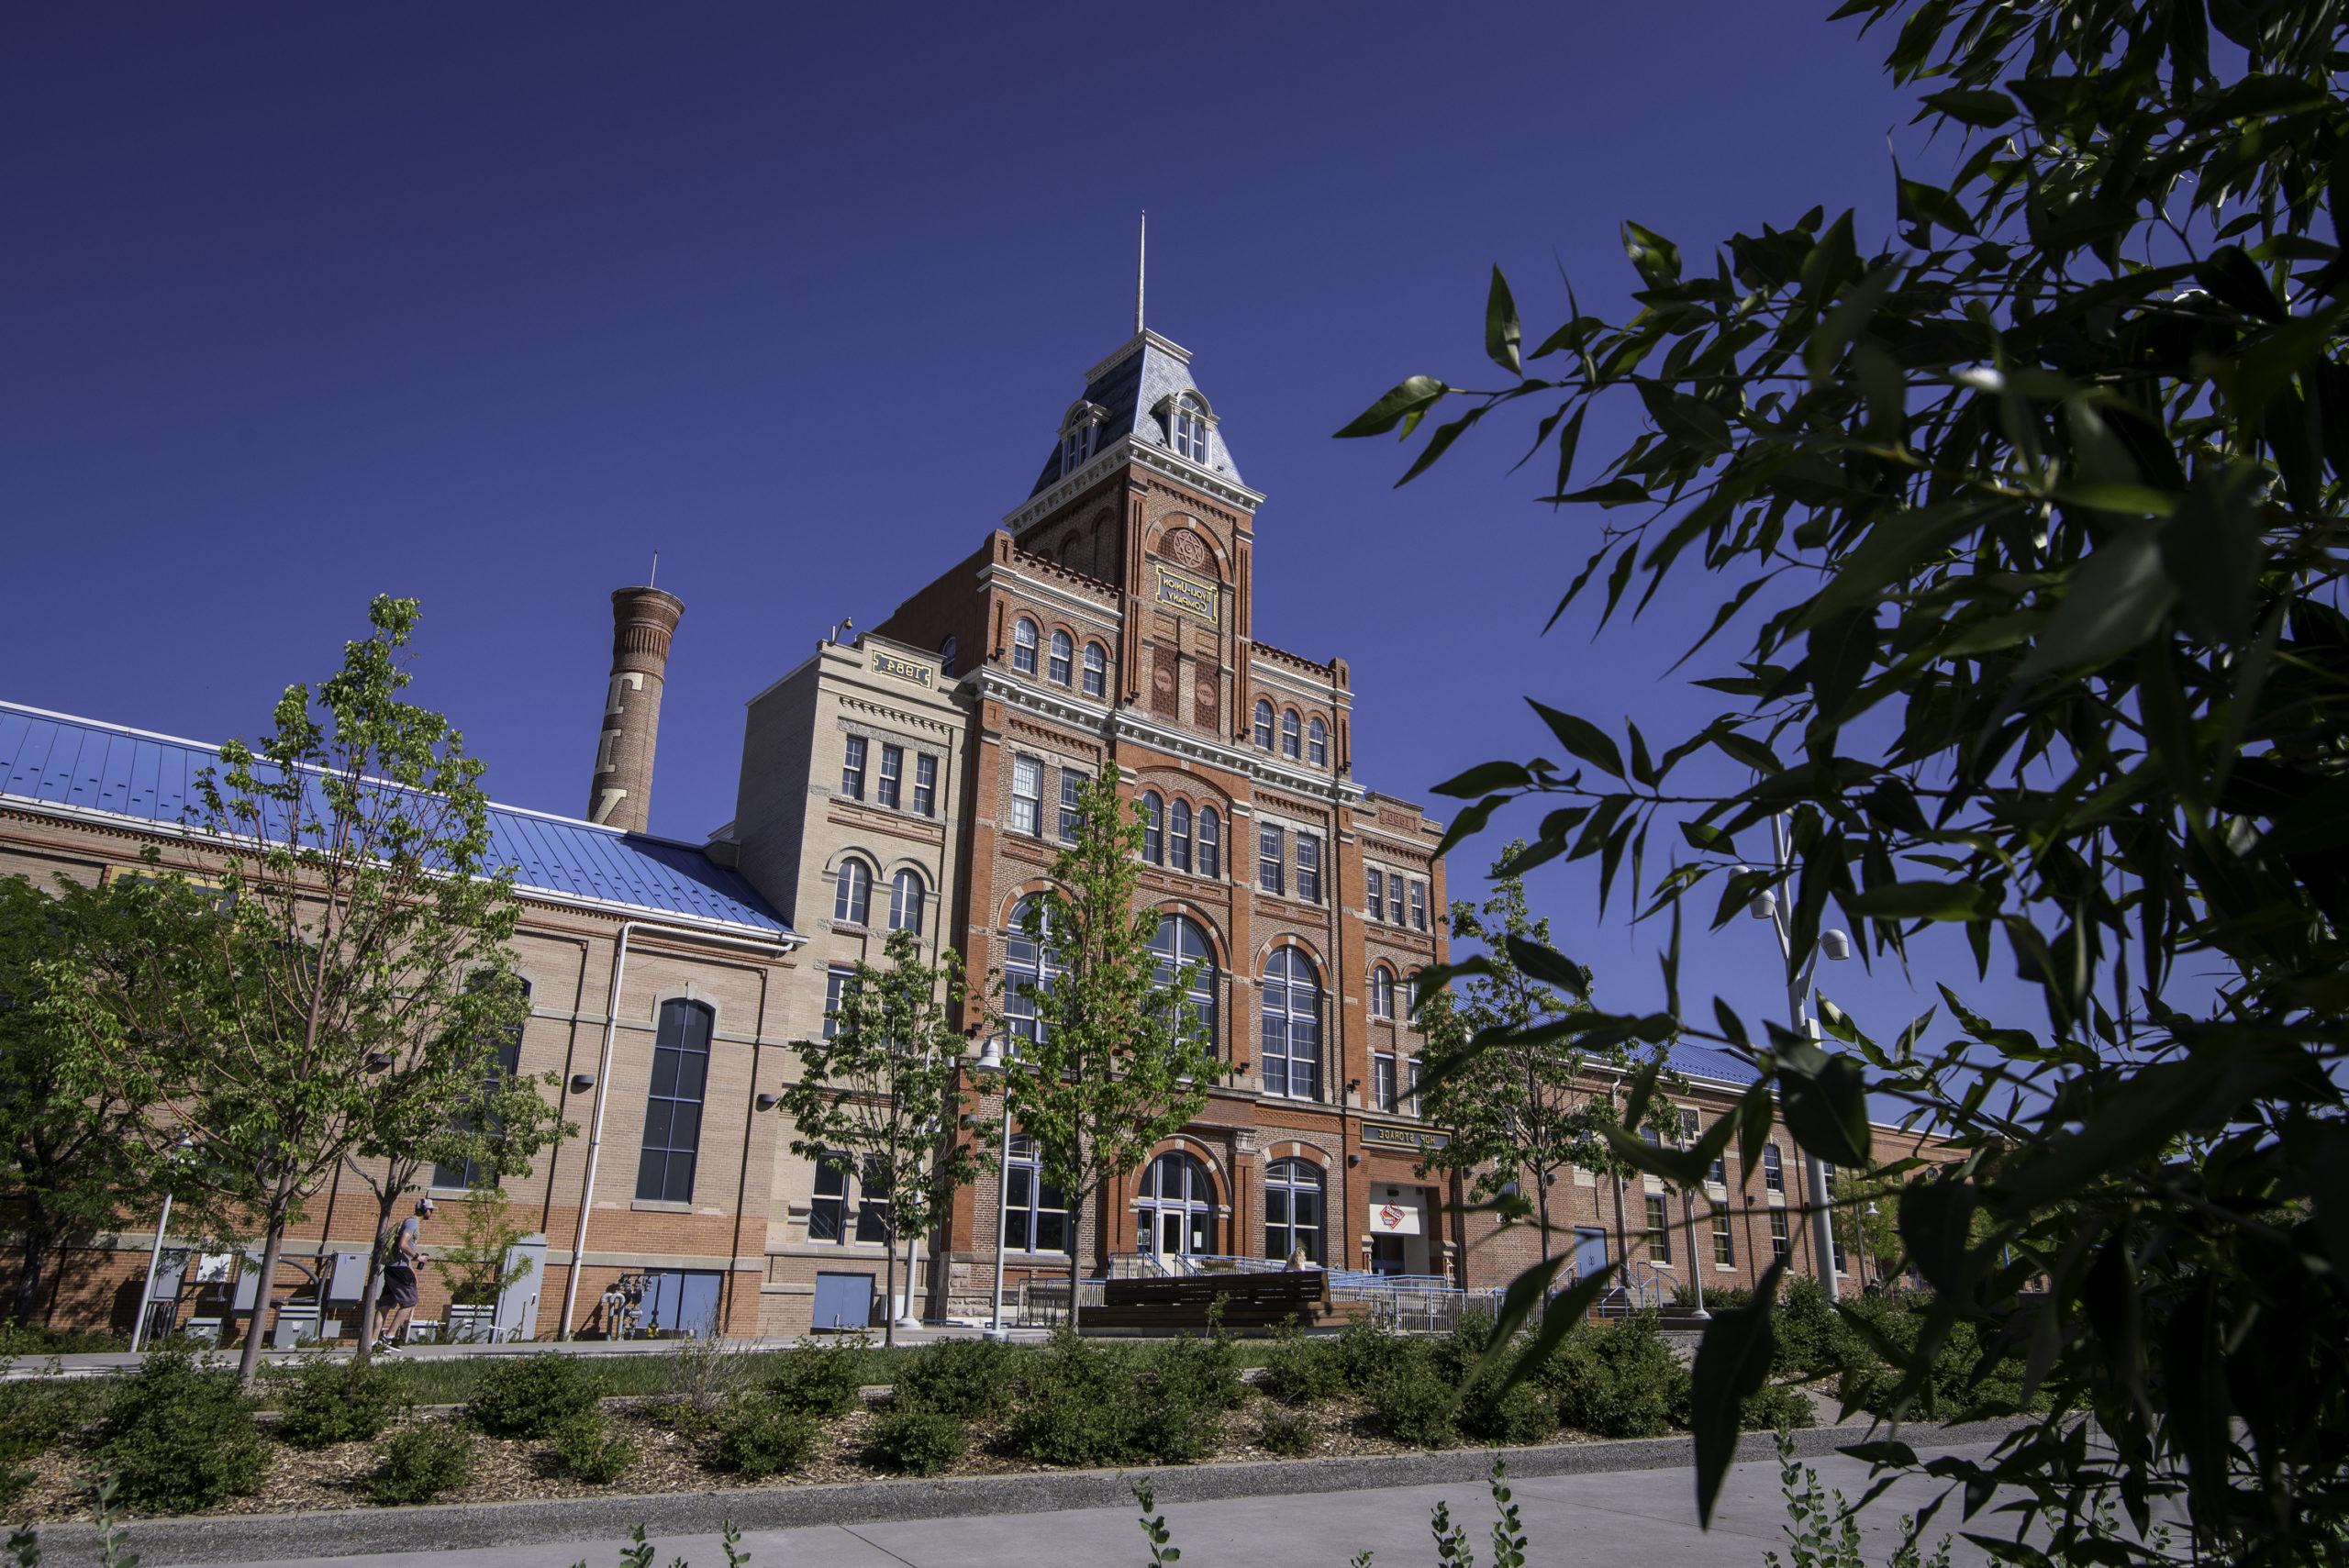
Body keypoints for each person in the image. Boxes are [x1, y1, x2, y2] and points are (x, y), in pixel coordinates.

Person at [374, 1196, 435, 1353]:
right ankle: (389, 1337)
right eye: (431, 1210)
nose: (432, 1213)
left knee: (385, 1305)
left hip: (393, 1267)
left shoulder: (408, 1222)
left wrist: (411, 1269)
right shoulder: (413, 1223)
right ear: (425, 1211)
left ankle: (373, 1341)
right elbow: (403, 1244)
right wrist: (417, 1257)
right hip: (399, 1269)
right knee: (409, 1302)